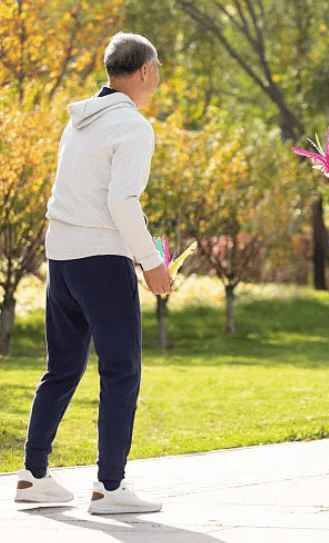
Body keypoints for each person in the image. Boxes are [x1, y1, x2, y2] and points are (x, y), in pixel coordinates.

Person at [15, 32, 172, 514]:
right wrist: (152, 263)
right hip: (103, 261)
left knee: (61, 368)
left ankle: (32, 476)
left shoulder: (79, 121)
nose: (160, 74)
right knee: (121, 369)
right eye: (158, 66)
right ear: (144, 71)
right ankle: (110, 487)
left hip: (60, 257)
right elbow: (121, 202)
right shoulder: (133, 126)